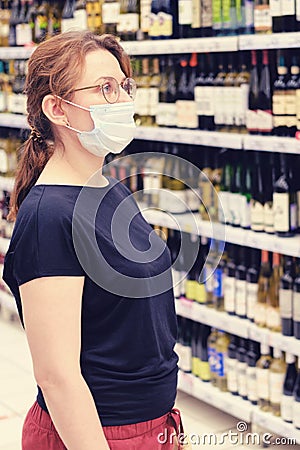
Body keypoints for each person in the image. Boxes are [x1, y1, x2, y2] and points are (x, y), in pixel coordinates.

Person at [2, 31, 183, 450]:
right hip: (93, 434)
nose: (122, 99)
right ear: (57, 109)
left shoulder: (108, 188)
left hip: (151, 426)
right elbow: (57, 377)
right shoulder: (49, 218)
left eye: (124, 86)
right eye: (105, 88)